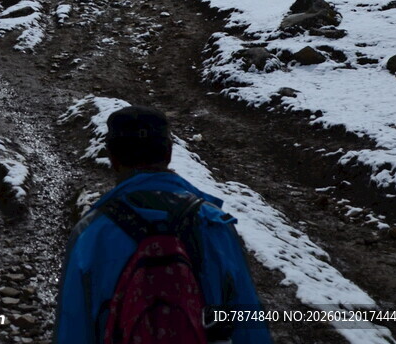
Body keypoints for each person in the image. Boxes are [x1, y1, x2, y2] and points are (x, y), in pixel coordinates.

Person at [53, 105, 272, 344]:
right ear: (168, 153)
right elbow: (248, 323)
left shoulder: (90, 233)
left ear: (113, 158)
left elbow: (73, 327)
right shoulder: (214, 224)